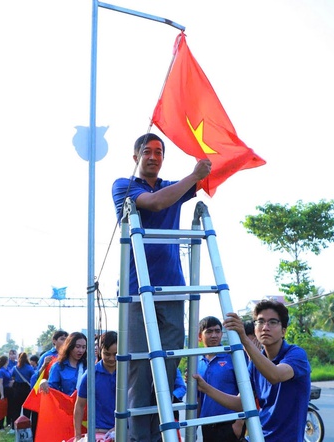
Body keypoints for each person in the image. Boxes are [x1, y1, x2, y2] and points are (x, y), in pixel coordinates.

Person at [112, 132, 211, 442]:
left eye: (159, 152)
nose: (153, 156)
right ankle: (139, 438)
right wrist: (193, 177)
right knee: (141, 371)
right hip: (138, 291)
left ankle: (159, 435)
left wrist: (206, 165)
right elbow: (154, 204)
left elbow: (211, 171)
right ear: (135, 157)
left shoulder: (173, 186)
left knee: (167, 369)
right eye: (147, 151)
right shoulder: (124, 185)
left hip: (172, 289)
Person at [194, 300, 311, 442]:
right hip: (258, 436)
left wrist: (244, 339)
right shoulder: (255, 364)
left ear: (283, 331)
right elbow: (241, 403)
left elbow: (275, 375)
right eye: (260, 322)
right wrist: (205, 388)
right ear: (255, 329)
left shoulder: (296, 354)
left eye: (272, 322)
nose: (265, 327)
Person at [197, 316, 243, 442]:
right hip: (207, 425)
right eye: (209, 331)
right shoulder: (196, 361)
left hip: (230, 423)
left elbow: (248, 391)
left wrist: (238, 424)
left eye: (217, 331)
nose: (214, 335)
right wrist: (193, 426)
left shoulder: (232, 357)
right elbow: (197, 398)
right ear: (200, 336)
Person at [73, 331, 118, 441]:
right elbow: (79, 406)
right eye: (107, 354)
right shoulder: (90, 375)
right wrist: (78, 436)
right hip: (98, 431)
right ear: (100, 351)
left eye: (116, 354)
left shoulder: (129, 373)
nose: (112, 358)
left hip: (125, 430)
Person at [9, 352, 35, 426]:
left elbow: (12, 377)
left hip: (17, 388)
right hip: (27, 389)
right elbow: (33, 378)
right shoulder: (30, 368)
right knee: (27, 409)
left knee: (16, 408)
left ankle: (14, 427)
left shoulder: (15, 368)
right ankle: (25, 426)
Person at [0, 355, 13, 432]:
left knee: (10, 408)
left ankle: (8, 423)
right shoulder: (1, 371)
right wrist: (2, 394)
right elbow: (0, 384)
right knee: (2, 408)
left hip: (10, 390)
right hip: (4, 390)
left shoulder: (8, 369)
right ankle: (1, 426)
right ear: (6, 361)